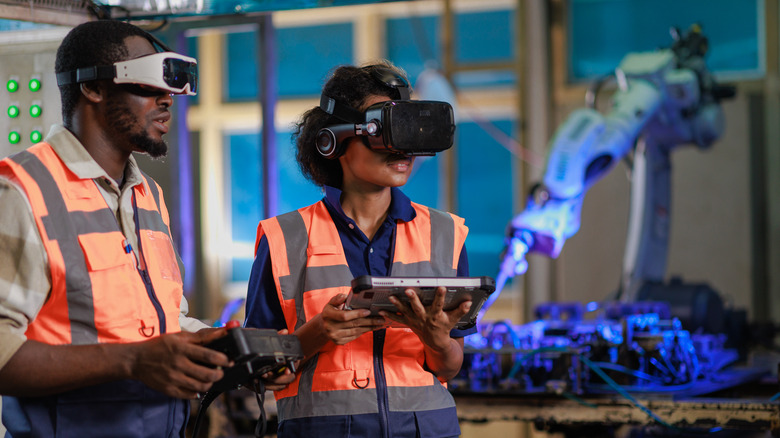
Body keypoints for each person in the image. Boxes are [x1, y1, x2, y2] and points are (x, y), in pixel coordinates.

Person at [0, 20, 292, 437]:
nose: (168, 100)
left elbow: (164, 324)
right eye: (150, 85)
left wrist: (225, 352)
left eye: (171, 89)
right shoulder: (22, 191)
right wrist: (131, 361)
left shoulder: (148, 196)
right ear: (94, 88)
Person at [244, 60, 474, 438]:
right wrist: (314, 335)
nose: (403, 149)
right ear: (331, 141)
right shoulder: (285, 238)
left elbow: (448, 367)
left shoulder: (446, 233)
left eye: (409, 130)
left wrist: (437, 341)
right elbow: (258, 372)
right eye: (385, 130)